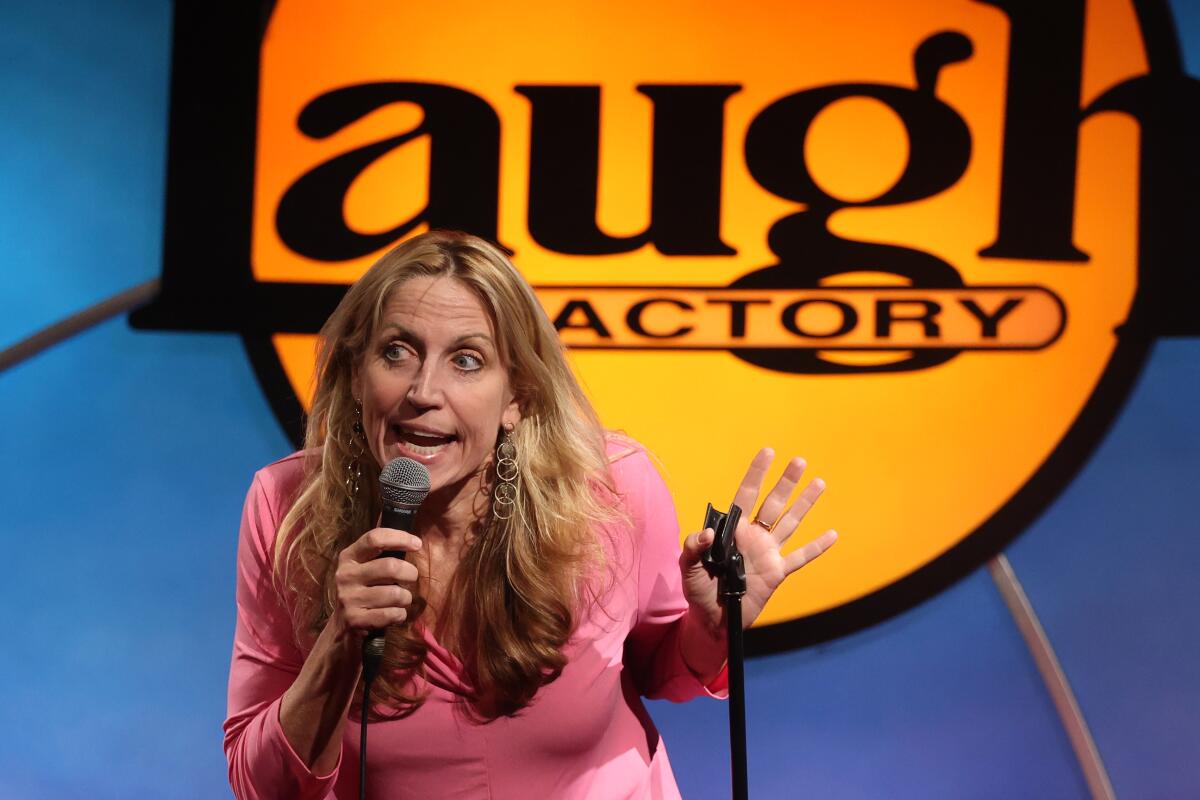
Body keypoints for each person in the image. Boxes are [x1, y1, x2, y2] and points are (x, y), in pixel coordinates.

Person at [223, 230, 838, 799]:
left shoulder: (611, 488)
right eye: (398, 352)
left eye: (466, 360)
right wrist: (341, 642)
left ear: (516, 396)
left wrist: (710, 629)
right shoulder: (287, 510)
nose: (424, 392)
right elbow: (263, 786)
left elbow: (657, 669)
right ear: (357, 375)